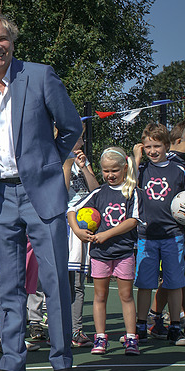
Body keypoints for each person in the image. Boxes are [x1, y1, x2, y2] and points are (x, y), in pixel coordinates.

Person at [0, 9, 82, 371]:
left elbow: (71, 125)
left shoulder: (40, 75)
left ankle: (62, 361)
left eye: (1, 39)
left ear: (12, 42)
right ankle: (12, 364)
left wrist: (45, 162)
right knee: (7, 284)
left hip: (41, 191)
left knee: (55, 278)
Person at [132, 123, 185, 346]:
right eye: (147, 147)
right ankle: (141, 326)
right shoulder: (142, 169)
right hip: (146, 235)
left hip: (173, 235)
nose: (152, 151)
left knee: (175, 283)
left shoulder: (178, 170)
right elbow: (128, 187)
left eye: (157, 146)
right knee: (145, 284)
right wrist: (136, 158)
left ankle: (175, 327)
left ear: (167, 146)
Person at [67, 147, 140, 355]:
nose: (110, 175)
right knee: (100, 296)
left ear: (125, 168)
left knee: (126, 295)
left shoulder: (132, 192)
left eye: (115, 170)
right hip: (100, 254)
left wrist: (107, 234)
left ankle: (131, 338)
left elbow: (132, 221)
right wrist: (78, 230)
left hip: (124, 252)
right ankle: (100, 338)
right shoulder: (98, 193)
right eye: (106, 171)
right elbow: (72, 210)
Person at [64, 125, 99, 347]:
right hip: (65, 224)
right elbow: (60, 190)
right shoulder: (58, 159)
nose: (81, 143)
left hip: (85, 224)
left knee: (78, 282)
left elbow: (96, 189)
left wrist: (85, 166)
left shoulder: (83, 161)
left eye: (82, 138)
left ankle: (76, 329)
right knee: (62, 282)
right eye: (77, 138)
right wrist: (68, 165)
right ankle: (58, 327)